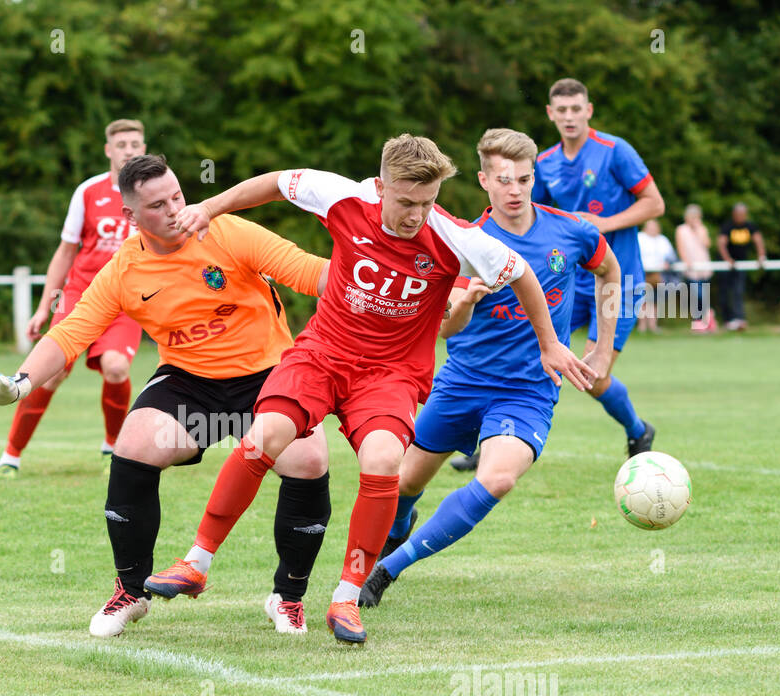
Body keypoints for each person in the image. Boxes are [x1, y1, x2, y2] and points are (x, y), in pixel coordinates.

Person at [144, 134, 595, 645]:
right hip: (323, 353)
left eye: (426, 203)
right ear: (380, 187)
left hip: (391, 373)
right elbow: (275, 184)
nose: (415, 216)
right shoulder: (343, 197)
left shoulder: (456, 238)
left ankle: (346, 597)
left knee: (383, 460)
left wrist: (550, 343)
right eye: (405, 202)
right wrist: (209, 205)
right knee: (263, 435)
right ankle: (196, 563)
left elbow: (523, 273)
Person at [0, 154, 334, 638]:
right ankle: (131, 591)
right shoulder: (125, 269)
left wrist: (386, 283)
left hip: (269, 375)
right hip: (191, 381)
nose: (175, 209)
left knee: (309, 460)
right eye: (157, 205)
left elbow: (313, 274)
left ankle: (289, 596)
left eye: (178, 195)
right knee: (133, 444)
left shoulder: (228, 231)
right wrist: (19, 384)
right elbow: (71, 333)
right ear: (131, 216)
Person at [359, 129, 619, 608]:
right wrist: (466, 302)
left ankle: (385, 572)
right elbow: (446, 329)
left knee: (498, 478)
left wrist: (602, 350)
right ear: (484, 181)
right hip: (462, 382)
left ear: (534, 177)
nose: (515, 189)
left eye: (523, 179)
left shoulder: (572, 231)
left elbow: (609, 272)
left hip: (528, 390)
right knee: (404, 485)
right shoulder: (462, 241)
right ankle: (397, 531)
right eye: (504, 180)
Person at [455, 77, 659, 472]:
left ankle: (637, 429)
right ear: (550, 114)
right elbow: (535, 223)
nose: (569, 116)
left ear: (588, 111)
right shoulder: (542, 163)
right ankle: (497, 437)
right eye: (561, 110)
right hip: (563, 280)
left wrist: (604, 223)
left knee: (593, 375)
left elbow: (655, 204)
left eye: (576, 108)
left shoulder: (615, 152)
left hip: (616, 278)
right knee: (514, 347)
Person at [0, 119, 148, 479]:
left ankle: (113, 445)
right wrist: (43, 306)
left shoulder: (154, 193)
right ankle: (11, 454)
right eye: (121, 144)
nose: (129, 150)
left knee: (116, 368)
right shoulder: (88, 192)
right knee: (51, 373)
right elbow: (65, 252)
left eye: (135, 143)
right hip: (80, 294)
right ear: (109, 150)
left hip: (126, 298)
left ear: (144, 149)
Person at [716, 203, 766, 332]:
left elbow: (758, 240)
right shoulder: (728, 226)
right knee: (725, 292)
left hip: (741, 264)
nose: (740, 217)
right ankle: (728, 320)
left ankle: (739, 319)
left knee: (738, 291)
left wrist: (761, 256)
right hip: (726, 266)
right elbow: (721, 243)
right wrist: (727, 259)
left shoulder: (750, 226)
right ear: (734, 214)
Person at [675, 203, 716, 332]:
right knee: (696, 294)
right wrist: (686, 262)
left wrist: (699, 231)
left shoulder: (702, 229)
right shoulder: (681, 230)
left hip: (703, 266)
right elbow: (680, 247)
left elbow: (707, 244)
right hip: (691, 268)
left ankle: (704, 320)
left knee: (703, 292)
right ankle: (706, 315)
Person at [637, 218, 676, 331]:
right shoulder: (640, 238)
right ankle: (642, 327)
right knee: (642, 300)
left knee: (654, 301)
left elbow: (671, 255)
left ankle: (653, 326)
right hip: (642, 273)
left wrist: (668, 262)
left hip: (658, 274)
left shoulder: (662, 240)